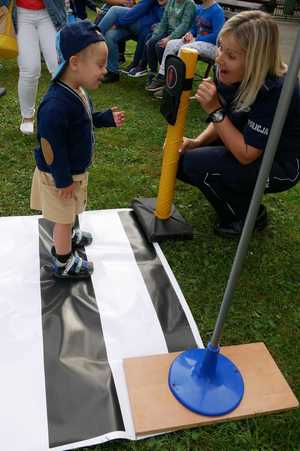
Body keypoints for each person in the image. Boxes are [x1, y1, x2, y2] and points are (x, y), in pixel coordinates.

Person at [177, 11, 300, 238]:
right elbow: (229, 117)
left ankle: (246, 216)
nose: (219, 59)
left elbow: (246, 154)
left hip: (280, 164)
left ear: (256, 60)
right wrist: (196, 142)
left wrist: (214, 110)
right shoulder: (227, 72)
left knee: (195, 164)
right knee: (180, 159)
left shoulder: (278, 90)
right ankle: (241, 196)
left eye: (231, 55)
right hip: (247, 144)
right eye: (221, 48)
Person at [30, 20, 125, 278]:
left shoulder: (77, 90)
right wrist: (62, 180)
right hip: (59, 175)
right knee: (62, 216)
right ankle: (63, 261)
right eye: (100, 65)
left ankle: (70, 234)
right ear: (74, 63)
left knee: (70, 209)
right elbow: (51, 147)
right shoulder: (55, 105)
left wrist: (105, 118)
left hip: (71, 172)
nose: (104, 71)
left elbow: (85, 117)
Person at [0, 0, 66, 135]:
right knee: (29, 69)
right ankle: (27, 116)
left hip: (50, 12)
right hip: (21, 14)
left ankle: (65, 112)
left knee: (59, 67)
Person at [146, 0, 224, 91]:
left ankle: (175, 85)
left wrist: (196, 39)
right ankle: (163, 76)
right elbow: (194, 27)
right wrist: (190, 33)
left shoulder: (217, 11)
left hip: (212, 47)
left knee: (185, 48)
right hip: (196, 42)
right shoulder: (200, 8)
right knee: (171, 43)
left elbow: (217, 36)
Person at [98, 0, 165, 82]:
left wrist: (118, 23)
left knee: (115, 10)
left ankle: (91, 40)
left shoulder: (172, 5)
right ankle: (112, 72)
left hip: (144, 27)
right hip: (137, 24)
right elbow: (138, 9)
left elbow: (136, 11)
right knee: (110, 36)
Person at [145, 0, 196, 85]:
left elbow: (184, 25)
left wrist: (169, 38)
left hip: (182, 36)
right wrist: (155, 36)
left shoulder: (189, 4)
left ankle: (166, 75)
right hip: (169, 32)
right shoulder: (171, 2)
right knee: (151, 42)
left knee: (159, 46)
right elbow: (163, 22)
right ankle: (153, 72)